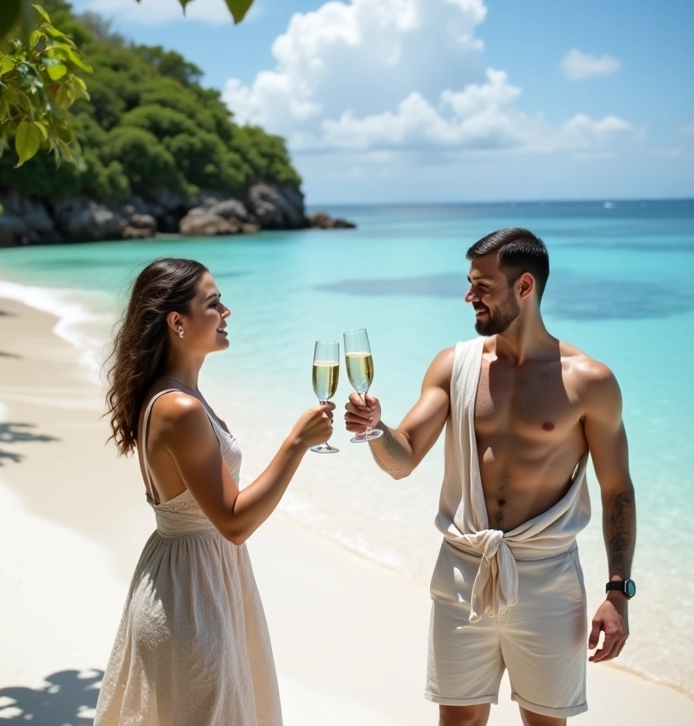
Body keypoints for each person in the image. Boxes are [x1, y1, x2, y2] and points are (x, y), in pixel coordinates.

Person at [344, 228, 636, 726]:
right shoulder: (454, 366)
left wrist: (618, 592)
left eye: (482, 286)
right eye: (469, 283)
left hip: (547, 579)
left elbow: (617, 491)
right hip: (464, 570)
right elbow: (403, 459)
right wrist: (376, 430)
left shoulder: (589, 381)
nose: (468, 296)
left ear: (524, 287)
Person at [94, 257, 334, 726]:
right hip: (191, 599)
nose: (228, 312)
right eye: (215, 302)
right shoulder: (180, 407)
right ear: (177, 322)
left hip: (191, 579)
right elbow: (235, 521)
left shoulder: (174, 394)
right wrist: (297, 443)